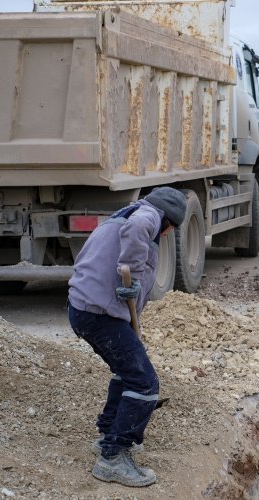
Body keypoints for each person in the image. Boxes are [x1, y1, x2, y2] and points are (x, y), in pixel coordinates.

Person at [67, 186, 187, 487]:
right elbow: (138, 232)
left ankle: (108, 434)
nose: (166, 234)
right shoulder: (146, 216)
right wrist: (131, 275)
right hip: (98, 314)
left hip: (88, 309)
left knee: (128, 372)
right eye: (170, 230)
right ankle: (112, 457)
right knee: (145, 383)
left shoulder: (124, 214)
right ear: (169, 222)